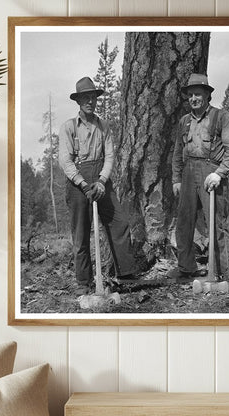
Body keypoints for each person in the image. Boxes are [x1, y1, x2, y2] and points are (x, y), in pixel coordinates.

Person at [59, 76, 136, 292]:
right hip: (78, 183)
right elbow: (65, 161)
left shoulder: (104, 126)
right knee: (81, 233)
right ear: (78, 101)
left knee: (119, 223)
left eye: (92, 97)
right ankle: (84, 282)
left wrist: (102, 181)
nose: (89, 101)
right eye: (85, 97)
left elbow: (110, 155)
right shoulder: (69, 127)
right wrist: (83, 184)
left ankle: (126, 275)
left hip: (101, 178)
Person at [168, 73, 229, 282]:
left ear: (207, 95)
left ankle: (221, 272)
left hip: (211, 171)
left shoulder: (220, 117)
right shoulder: (184, 121)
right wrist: (176, 179)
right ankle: (186, 267)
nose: (193, 99)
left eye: (198, 94)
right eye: (190, 95)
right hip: (188, 172)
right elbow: (177, 152)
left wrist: (219, 173)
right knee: (184, 223)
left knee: (216, 223)